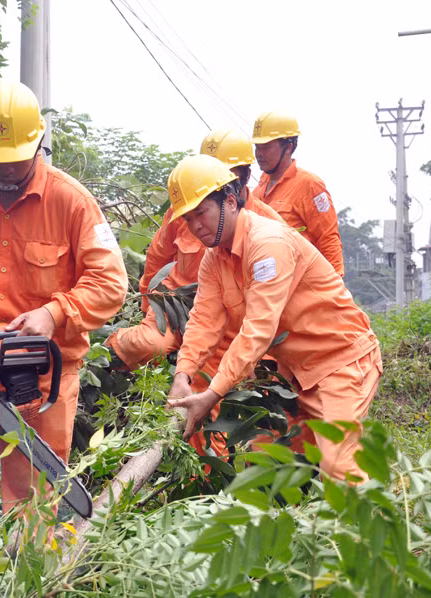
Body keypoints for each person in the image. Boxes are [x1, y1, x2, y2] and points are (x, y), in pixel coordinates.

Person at [0, 80, 128, 513]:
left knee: (32, 500)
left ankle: (23, 571)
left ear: (37, 144)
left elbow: (110, 283)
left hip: (41, 370)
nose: (6, 173)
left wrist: (55, 313)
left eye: (14, 162)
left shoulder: (72, 202)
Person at [164, 155, 382, 481]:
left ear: (230, 200)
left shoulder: (267, 245)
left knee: (340, 468)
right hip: (297, 376)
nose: (196, 226)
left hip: (341, 363)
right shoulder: (214, 259)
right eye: (188, 218)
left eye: (201, 213)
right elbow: (203, 321)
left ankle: (381, 526)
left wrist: (212, 393)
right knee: (270, 468)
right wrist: (183, 373)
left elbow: (258, 330)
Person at [105, 128, 282, 371]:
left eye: (225, 173)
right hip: (173, 308)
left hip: (227, 322)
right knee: (143, 344)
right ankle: (97, 360)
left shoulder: (266, 224)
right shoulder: (186, 208)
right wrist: (149, 306)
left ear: (245, 174)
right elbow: (158, 255)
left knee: (212, 381)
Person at [252, 112, 345, 277]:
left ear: (288, 147)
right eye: (257, 147)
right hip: (270, 287)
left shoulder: (310, 186)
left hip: (304, 287)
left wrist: (334, 288)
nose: (259, 153)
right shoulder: (258, 190)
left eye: (266, 147)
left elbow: (328, 240)